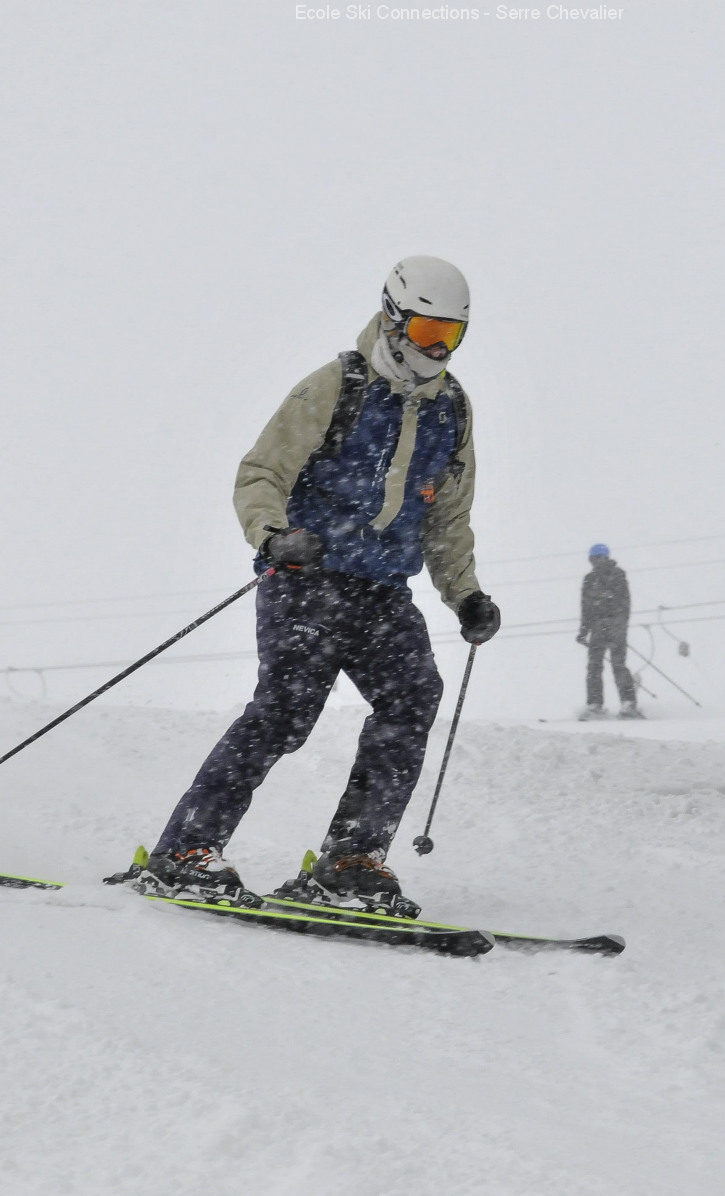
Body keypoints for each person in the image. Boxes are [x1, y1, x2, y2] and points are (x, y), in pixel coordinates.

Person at [130, 256, 500, 918]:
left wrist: (465, 595)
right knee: (285, 710)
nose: (438, 349)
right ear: (393, 320)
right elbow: (261, 473)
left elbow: (447, 518)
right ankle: (185, 852)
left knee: (413, 697)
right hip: (309, 577)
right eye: (427, 331)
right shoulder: (336, 387)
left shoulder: (451, 410)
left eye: (452, 335)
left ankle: (352, 861)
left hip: (383, 591)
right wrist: (274, 536)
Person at [577, 544, 641, 720]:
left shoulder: (617, 575)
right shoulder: (589, 579)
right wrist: (583, 631)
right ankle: (594, 704)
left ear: (606, 557)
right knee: (594, 666)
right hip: (597, 627)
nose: (596, 562)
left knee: (618, 664)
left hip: (615, 625)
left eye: (599, 558)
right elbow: (586, 608)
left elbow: (624, 604)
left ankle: (628, 704)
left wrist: (620, 626)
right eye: (593, 559)